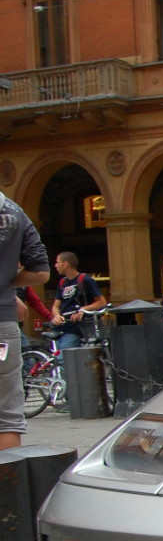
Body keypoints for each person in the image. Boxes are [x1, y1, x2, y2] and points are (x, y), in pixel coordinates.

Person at [1, 192, 50, 450]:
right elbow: (41, 272)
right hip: (2, 323)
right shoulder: (14, 211)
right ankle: (7, 487)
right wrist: (6, 286)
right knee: (6, 417)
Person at [49, 252, 106, 351]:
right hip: (61, 327)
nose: (55, 265)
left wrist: (83, 309)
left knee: (66, 358)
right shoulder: (62, 283)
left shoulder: (86, 280)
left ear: (65, 264)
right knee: (57, 359)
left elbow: (101, 302)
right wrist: (57, 316)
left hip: (76, 328)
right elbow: (56, 306)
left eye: (58, 262)